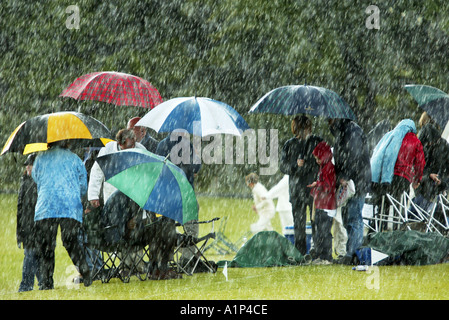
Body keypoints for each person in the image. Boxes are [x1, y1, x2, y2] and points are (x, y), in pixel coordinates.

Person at [32, 141, 92, 289]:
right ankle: (85, 271)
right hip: (69, 206)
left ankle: (46, 282)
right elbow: (83, 185)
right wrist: (76, 194)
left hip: (47, 205)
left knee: (46, 245)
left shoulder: (40, 158)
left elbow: (35, 177)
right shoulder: (75, 158)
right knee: (70, 240)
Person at [101, 190, 179, 280]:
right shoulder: (118, 198)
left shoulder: (134, 196)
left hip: (134, 234)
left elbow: (140, 219)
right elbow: (113, 224)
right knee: (160, 231)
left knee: (164, 226)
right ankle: (157, 269)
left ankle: (160, 267)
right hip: (119, 238)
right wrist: (126, 225)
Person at [156, 130, 202, 268]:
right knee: (191, 226)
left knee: (167, 227)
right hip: (185, 194)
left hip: (166, 196)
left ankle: (166, 258)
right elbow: (196, 168)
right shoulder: (187, 145)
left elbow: (158, 169)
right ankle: (187, 257)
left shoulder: (161, 145)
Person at [328, 118, 371, 265]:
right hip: (354, 181)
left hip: (356, 182)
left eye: (330, 119)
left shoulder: (351, 132)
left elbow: (353, 157)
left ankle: (354, 254)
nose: (328, 122)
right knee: (348, 218)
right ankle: (351, 252)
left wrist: (345, 175)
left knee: (354, 218)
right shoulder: (344, 132)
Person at [371, 119, 426, 231]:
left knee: (384, 202)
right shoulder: (415, 141)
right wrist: (417, 179)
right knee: (399, 205)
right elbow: (420, 163)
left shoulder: (391, 136)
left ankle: (381, 228)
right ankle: (397, 230)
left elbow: (381, 152)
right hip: (404, 178)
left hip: (388, 176)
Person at [280, 115, 322, 255]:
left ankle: (318, 251)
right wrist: (295, 166)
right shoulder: (289, 144)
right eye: (301, 129)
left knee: (316, 221)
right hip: (297, 191)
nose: (304, 132)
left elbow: (327, 160)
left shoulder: (317, 142)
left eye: (306, 129)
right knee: (299, 224)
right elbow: (283, 166)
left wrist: (319, 162)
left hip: (314, 189)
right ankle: (300, 253)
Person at [88, 128, 146, 208]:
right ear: (119, 143)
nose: (132, 148)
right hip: (112, 194)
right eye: (128, 146)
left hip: (134, 196)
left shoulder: (141, 150)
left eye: (133, 145)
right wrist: (93, 195)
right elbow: (97, 172)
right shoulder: (107, 150)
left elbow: (146, 173)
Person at [412, 123, 449, 232]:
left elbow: (446, 165)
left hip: (438, 183)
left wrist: (441, 178)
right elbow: (420, 165)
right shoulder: (425, 146)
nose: (429, 144)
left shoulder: (443, 146)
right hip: (425, 183)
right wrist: (428, 174)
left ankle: (431, 229)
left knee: (436, 210)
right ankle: (416, 226)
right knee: (419, 207)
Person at [307, 141, 336, 265]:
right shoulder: (323, 167)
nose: (317, 161)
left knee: (324, 232)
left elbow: (328, 186)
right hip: (321, 204)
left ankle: (326, 257)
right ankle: (321, 255)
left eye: (318, 158)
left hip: (327, 205)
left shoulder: (329, 167)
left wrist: (317, 185)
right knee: (320, 232)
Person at [16, 154, 41, 292]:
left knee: (33, 255)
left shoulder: (35, 182)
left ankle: (28, 285)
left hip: (34, 225)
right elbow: (20, 208)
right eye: (27, 165)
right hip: (28, 226)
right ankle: (39, 283)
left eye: (30, 164)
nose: (27, 167)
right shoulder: (25, 181)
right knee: (32, 255)